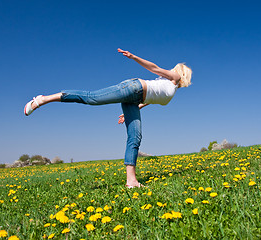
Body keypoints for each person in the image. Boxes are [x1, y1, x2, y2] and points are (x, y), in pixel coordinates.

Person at [24, 48, 192, 188]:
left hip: (135, 100)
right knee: (92, 98)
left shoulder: (170, 90)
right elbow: (154, 68)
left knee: (135, 136)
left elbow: (151, 99)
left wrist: (134, 109)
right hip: (133, 88)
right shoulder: (173, 79)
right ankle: (43, 99)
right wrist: (133, 57)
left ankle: (131, 181)